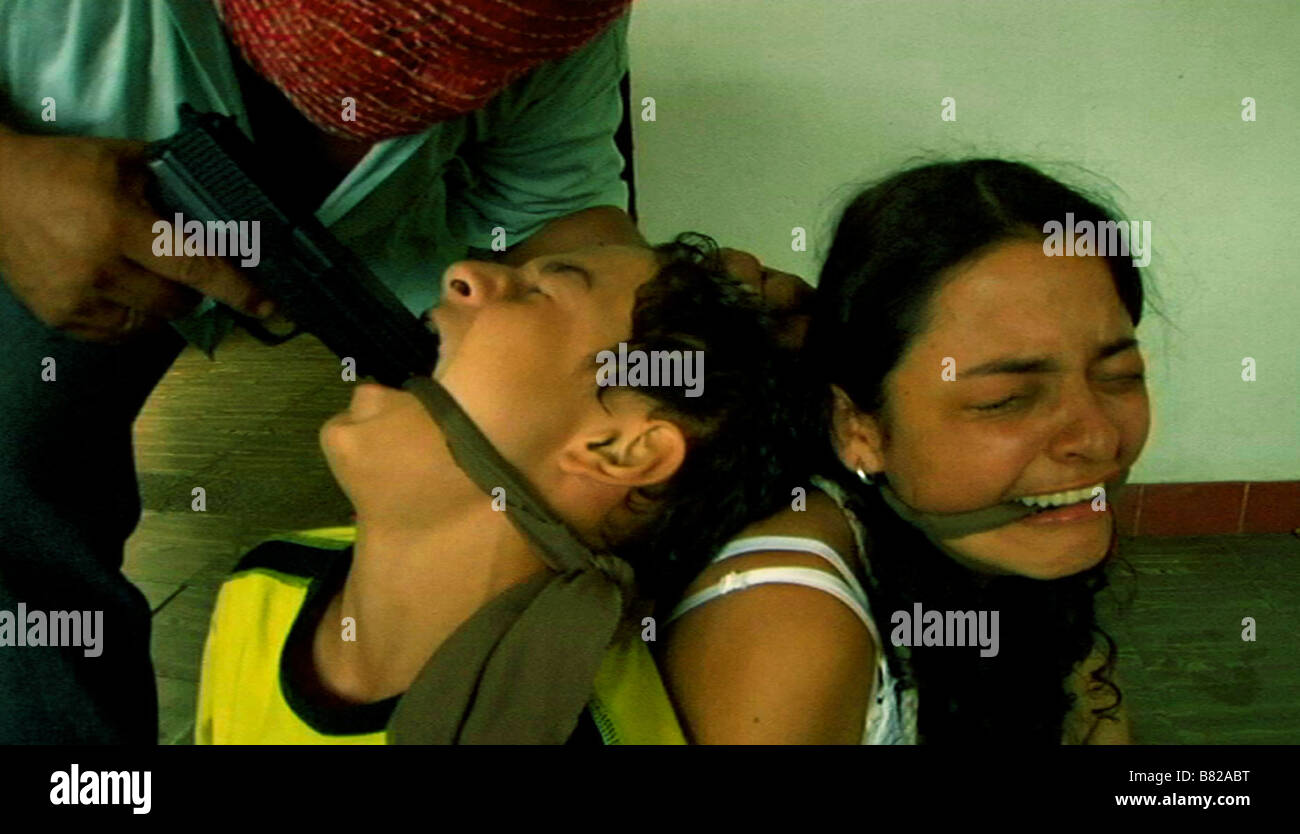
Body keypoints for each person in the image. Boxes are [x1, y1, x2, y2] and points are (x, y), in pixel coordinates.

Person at [0, 0, 677, 744]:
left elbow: (556, 217)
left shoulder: (561, 21)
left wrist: (692, 344)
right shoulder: (262, 599)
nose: (463, 274)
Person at [196, 235, 807, 743]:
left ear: (620, 449)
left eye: (541, 291)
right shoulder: (266, 579)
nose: (463, 274)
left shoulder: (596, 733)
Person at [659, 159, 1149, 744]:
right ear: (859, 429)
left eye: (1119, 375)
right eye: (1005, 400)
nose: (1097, 438)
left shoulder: (996, 549)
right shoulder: (782, 627)